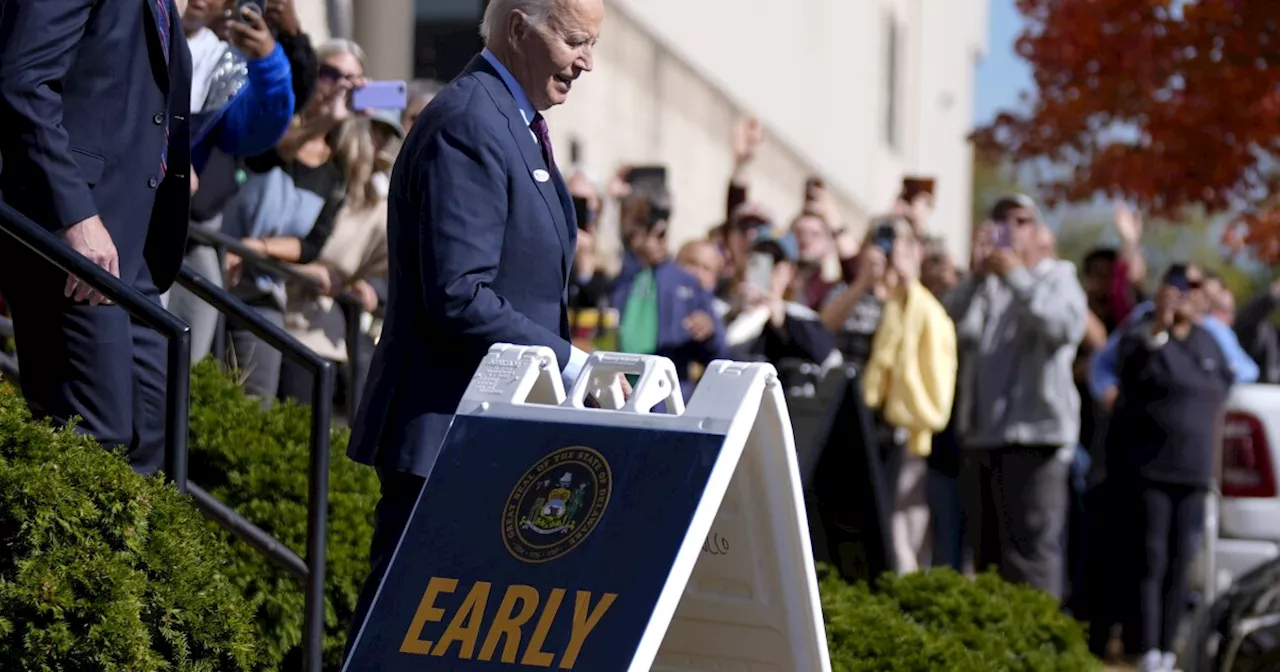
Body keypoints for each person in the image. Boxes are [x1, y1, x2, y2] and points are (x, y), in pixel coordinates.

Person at [342, 0, 607, 654]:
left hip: (493, 437)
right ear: (519, 27)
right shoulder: (470, 122)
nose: (585, 62)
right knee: (394, 637)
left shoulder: (515, 122)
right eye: (574, 40)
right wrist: (571, 363)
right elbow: (459, 294)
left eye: (592, 45)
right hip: (445, 438)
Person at [0, 0, 291, 474]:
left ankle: (128, 551)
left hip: (135, 251)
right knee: (96, 436)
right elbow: (23, 83)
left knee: (151, 432)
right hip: (74, 241)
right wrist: (75, 217)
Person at [946, 195, 1086, 599]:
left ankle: (1037, 655)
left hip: (1036, 440)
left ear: (1041, 233)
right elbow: (947, 327)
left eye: (1022, 220)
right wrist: (974, 278)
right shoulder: (984, 285)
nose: (1011, 227)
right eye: (1001, 218)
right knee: (987, 561)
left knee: (1032, 558)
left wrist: (1017, 278)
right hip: (982, 438)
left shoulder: (1057, 276)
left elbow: (1062, 327)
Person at [1105, 264, 1233, 672]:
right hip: (1151, 470)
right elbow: (1126, 370)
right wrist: (1159, 326)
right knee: (1151, 559)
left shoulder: (1208, 341)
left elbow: (1232, 379)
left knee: (1181, 561)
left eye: (1198, 289)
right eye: (1183, 287)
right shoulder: (1146, 334)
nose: (1190, 296)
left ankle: (1166, 647)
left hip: (1194, 472)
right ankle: (1145, 647)